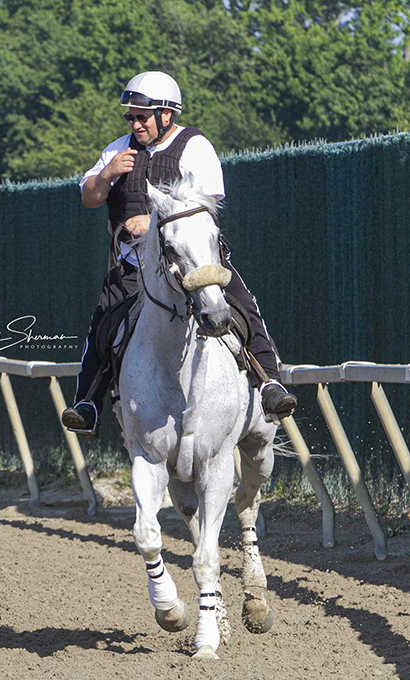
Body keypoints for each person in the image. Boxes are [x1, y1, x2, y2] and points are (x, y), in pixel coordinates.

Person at [61, 71, 297, 440]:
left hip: (192, 261)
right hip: (135, 265)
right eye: (131, 117)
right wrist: (106, 175)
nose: (135, 123)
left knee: (243, 306)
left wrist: (152, 221)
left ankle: (270, 384)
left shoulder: (195, 145)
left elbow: (206, 204)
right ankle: (87, 403)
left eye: (143, 116)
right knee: (102, 326)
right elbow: (89, 198)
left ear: (166, 115)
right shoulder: (117, 149)